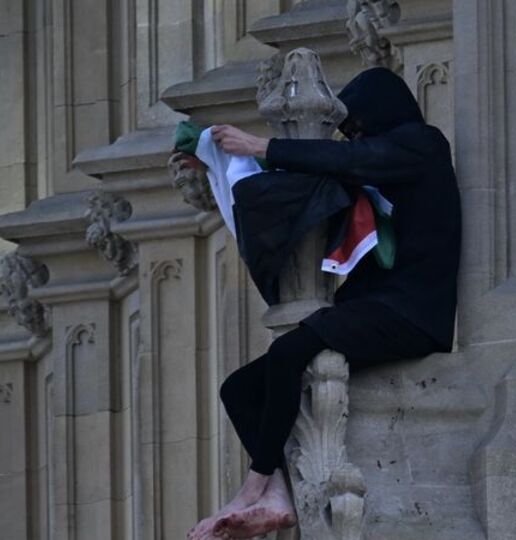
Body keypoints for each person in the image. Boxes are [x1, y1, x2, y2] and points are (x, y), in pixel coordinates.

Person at [187, 67, 462, 540]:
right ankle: (278, 496)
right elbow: (312, 179)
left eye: (355, 127)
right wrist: (218, 164)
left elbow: (353, 158)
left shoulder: (423, 144)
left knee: (289, 353)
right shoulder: (383, 167)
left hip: (414, 313)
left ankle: (256, 487)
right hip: (380, 305)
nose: (353, 137)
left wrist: (259, 146)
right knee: (238, 388)